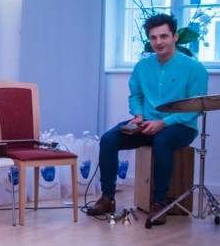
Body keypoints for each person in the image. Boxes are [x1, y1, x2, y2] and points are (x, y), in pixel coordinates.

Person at [87, 13, 208, 225]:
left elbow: (194, 107)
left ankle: (159, 203)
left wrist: (163, 123)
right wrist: (139, 116)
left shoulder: (194, 68)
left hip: (181, 125)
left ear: (175, 37)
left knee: (162, 141)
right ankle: (107, 198)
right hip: (146, 122)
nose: (158, 42)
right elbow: (136, 96)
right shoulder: (142, 66)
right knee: (108, 139)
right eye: (153, 37)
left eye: (164, 36)